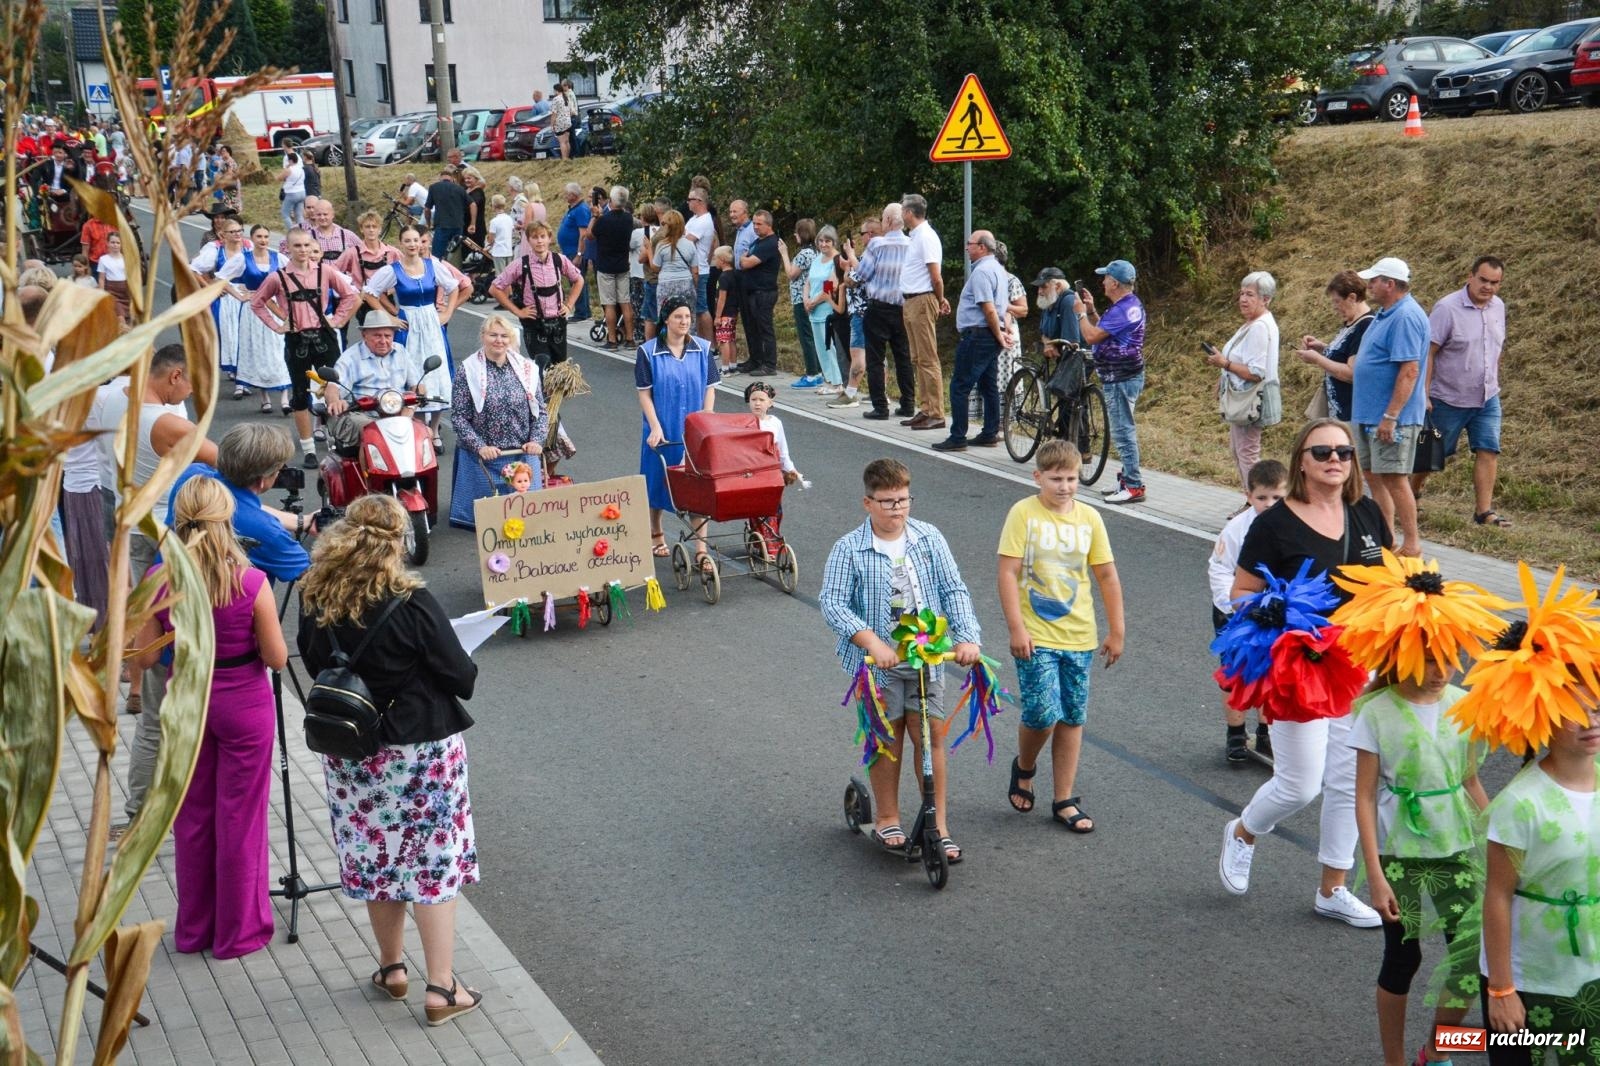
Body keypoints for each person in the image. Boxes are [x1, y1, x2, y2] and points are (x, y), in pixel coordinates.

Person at [297, 494, 483, 1027]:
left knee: (378, 855)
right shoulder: (411, 599)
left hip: (357, 749)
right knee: (431, 863)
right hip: (423, 746)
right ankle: (442, 988)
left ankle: (392, 968)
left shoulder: (316, 598)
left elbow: (316, 665)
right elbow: (460, 678)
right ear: (398, 542)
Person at [1217, 418, 1391, 927]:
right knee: (1300, 785)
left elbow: (1386, 584)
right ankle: (1244, 831)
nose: (1335, 460)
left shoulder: (1366, 512)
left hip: (1359, 661)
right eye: (1322, 452)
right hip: (1301, 665)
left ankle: (1332, 889)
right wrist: (1282, 612)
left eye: (1344, 452)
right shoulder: (1273, 524)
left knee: (1348, 781)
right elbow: (1240, 594)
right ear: (1301, 461)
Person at [130, 477, 286, 959]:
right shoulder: (251, 581)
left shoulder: (159, 577)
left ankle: (194, 929)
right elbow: (277, 658)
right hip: (243, 704)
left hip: (187, 702)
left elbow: (144, 660)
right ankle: (238, 932)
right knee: (240, 818)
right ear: (226, 520)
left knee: (193, 818)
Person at [1344, 613, 1492, 1066]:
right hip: (1399, 855)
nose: (1442, 670)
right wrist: (1374, 873)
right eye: (1430, 659)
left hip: (1458, 847)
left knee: (1469, 961)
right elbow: (1365, 797)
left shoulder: (1465, 704)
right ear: (1404, 656)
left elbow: (1470, 781)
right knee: (1402, 959)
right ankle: (1393, 1060)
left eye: (1450, 659)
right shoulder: (1377, 712)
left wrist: (1501, 843)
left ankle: (1435, 1051)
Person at [819, 458, 982, 862]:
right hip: (879, 664)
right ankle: (888, 816)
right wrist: (872, 642)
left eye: (904, 500)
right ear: (868, 503)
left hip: (928, 656)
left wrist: (966, 638)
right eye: (888, 502)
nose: (898, 509)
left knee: (930, 736)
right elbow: (833, 603)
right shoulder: (849, 548)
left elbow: (953, 590)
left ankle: (937, 824)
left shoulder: (928, 538)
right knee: (886, 738)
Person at [998, 440, 1124, 834]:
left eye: (1071, 478)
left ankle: (1063, 798)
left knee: (1071, 716)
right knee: (1041, 712)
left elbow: (1105, 575)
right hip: (1035, 635)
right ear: (1038, 477)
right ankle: (1025, 765)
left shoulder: (1089, 519)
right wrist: (1016, 627)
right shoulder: (1024, 514)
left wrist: (1116, 630)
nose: (1065, 486)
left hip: (1079, 636)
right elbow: (1007, 573)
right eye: (1056, 478)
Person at [123, 345, 221, 822]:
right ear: (175, 376)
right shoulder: (165, 422)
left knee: (153, 709)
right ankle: (148, 809)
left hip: (139, 534)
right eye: (190, 385)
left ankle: (142, 808)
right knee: (163, 700)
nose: (191, 394)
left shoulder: (123, 404)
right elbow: (227, 460)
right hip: (164, 543)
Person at [1412, 255, 1509, 529]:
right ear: (1470, 276)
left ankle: (1483, 512)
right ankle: (1411, 493)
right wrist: (1424, 392)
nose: (1488, 287)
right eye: (1483, 280)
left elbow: (1496, 347)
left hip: (1487, 397)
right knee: (1433, 454)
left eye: (1495, 283)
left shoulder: (1498, 307)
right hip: (1448, 398)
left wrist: (1493, 378)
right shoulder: (1447, 308)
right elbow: (1428, 352)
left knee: (1488, 449)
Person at [250, 229, 361, 467]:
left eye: (305, 245)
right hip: (296, 339)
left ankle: (340, 440)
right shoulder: (277, 277)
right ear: (288, 248)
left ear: (312, 247)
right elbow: (256, 302)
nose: (302, 251)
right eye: (297, 246)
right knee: (300, 394)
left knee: (335, 387)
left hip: (324, 336)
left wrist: (338, 319)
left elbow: (351, 295)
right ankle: (309, 448)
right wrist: (277, 325)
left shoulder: (325, 271)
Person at [1206, 459, 1288, 763]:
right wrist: (1237, 606)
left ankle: (1266, 732)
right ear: (1248, 495)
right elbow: (1219, 570)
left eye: (1277, 498)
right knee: (1235, 673)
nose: (1269, 504)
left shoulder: (1292, 525)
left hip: (1274, 613)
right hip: (1235, 613)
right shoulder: (1236, 530)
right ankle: (1236, 734)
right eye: (1262, 497)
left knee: (1271, 671)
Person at [167, 423, 315, 583]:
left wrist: (301, 522)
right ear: (261, 481)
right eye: (279, 469)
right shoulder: (268, 532)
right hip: (224, 604)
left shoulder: (192, 478)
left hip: (168, 585)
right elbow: (313, 577)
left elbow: (241, 507)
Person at [1351, 257, 1429, 557]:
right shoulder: (1387, 313)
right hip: (1370, 414)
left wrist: (1391, 415)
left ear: (1390, 284)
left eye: (1374, 281)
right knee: (1373, 475)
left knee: (1395, 477)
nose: (1369, 285)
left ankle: (1411, 544)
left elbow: (1409, 370)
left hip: (1390, 417)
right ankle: (1385, 537)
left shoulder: (1406, 316)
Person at [636, 296, 718, 565]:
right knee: (656, 481)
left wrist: (707, 421)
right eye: (678, 317)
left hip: (695, 430)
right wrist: (655, 426)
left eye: (687, 317)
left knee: (698, 486)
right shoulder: (648, 352)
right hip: (663, 426)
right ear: (666, 319)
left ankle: (701, 550)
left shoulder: (703, 349)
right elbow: (645, 394)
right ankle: (656, 533)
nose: (684, 322)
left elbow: (710, 388)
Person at [448, 312, 548, 529]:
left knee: (529, 522)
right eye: (493, 335)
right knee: (488, 525)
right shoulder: (468, 370)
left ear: (511, 339)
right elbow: (458, 417)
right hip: (484, 457)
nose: (499, 340)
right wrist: (479, 446)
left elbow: (540, 411)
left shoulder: (527, 369)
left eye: (504, 336)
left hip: (521, 453)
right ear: (483, 336)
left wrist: (536, 441)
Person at [361, 224, 460, 433]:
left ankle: (434, 429)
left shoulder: (432, 266)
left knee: (436, 371)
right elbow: (369, 293)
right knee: (411, 370)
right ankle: (418, 426)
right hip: (408, 321)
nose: (413, 244)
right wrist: (389, 317)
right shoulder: (393, 270)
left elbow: (454, 287)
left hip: (431, 322)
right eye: (408, 241)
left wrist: (448, 313)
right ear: (401, 244)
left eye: (416, 240)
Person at [1074, 259, 1148, 504]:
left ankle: (1134, 486)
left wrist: (1081, 314)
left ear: (1115, 282)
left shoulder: (1124, 309)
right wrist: (1093, 310)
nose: (1102, 281)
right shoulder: (1125, 305)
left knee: (1122, 431)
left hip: (1121, 377)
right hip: (1121, 375)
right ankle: (1126, 479)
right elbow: (1104, 330)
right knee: (1120, 429)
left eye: (1106, 277)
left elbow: (1092, 336)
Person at [931, 230, 1011, 452]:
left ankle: (958, 436)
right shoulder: (998, 270)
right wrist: (1002, 332)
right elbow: (1000, 308)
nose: (966, 248)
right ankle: (989, 432)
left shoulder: (982, 272)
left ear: (982, 247)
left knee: (960, 385)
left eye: (970, 244)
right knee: (988, 384)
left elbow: (988, 308)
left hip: (979, 335)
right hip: (988, 334)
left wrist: (997, 334)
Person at [1205, 271, 1282, 495]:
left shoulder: (1259, 326)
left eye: (1250, 294)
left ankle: (1257, 503)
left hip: (1250, 399)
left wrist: (1224, 363)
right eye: (1241, 293)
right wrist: (1223, 376)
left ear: (1265, 299)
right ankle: (1252, 500)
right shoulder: (1252, 323)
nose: (1243, 299)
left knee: (1247, 453)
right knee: (1239, 451)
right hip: (1241, 395)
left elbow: (1257, 372)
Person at [487, 219, 584, 369]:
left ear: (549, 238)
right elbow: (494, 288)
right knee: (542, 365)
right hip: (534, 324)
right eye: (535, 237)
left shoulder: (559, 260)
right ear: (529, 240)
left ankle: (554, 393)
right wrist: (518, 311)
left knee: (560, 370)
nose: (539, 241)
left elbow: (579, 280)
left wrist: (569, 304)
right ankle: (539, 392)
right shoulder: (520, 264)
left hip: (557, 323)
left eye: (543, 236)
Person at [218, 224, 292, 414]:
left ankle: (285, 398)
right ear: (252, 239)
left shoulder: (278, 258)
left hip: (274, 306)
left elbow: (292, 277)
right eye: (259, 236)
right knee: (257, 350)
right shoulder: (243, 259)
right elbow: (220, 278)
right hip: (253, 310)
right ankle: (265, 398)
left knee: (279, 349)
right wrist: (240, 295)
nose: (263, 240)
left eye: (266, 236)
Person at [850, 202, 914, 421]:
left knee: (876, 358)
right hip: (903, 307)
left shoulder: (877, 245)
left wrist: (850, 266)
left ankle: (880, 407)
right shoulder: (912, 244)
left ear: (887, 221)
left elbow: (864, 273)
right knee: (903, 356)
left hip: (879, 306)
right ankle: (908, 403)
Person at [323, 311, 423, 451]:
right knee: (373, 435)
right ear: (364, 335)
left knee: (426, 434)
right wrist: (335, 401)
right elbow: (332, 388)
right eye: (377, 336)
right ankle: (369, 473)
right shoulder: (350, 357)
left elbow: (418, 386)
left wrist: (410, 409)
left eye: (387, 336)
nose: (383, 341)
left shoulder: (401, 352)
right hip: (363, 415)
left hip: (398, 413)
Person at [1292, 271, 1375, 425]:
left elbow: (1352, 373)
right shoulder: (1351, 322)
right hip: (1338, 413)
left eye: (1337, 301)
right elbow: (1345, 354)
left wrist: (1318, 359)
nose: (1334, 307)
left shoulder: (1365, 326)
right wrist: (1322, 348)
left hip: (1351, 416)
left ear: (1352, 298)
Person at [898, 194, 949, 430]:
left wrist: (939, 299)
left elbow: (935, 276)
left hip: (922, 299)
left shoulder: (927, 237)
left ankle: (936, 412)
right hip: (910, 300)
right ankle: (926, 407)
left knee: (928, 358)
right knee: (917, 358)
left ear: (909, 212)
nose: (901, 215)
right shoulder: (915, 237)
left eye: (902, 210)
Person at [189, 216, 248, 389]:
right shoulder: (215, 250)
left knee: (242, 336)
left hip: (243, 297)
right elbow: (193, 268)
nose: (237, 234)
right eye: (233, 232)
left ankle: (241, 376)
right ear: (223, 235)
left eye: (239, 231)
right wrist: (209, 286)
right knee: (217, 337)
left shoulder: (249, 248)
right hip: (222, 299)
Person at [335, 209, 401, 332]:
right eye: (367, 226)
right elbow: (334, 273)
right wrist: (350, 290)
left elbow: (406, 271)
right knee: (370, 336)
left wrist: (394, 289)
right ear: (361, 229)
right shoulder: (352, 253)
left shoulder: (392, 252)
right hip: (364, 303)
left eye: (374, 226)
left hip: (386, 300)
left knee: (389, 335)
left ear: (380, 229)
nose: (371, 230)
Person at [735, 210, 781, 376]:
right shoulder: (758, 241)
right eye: (754, 223)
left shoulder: (770, 243)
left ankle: (769, 364)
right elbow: (744, 259)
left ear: (769, 225)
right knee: (751, 327)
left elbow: (746, 262)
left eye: (759, 224)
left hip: (764, 292)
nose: (755, 227)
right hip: (751, 291)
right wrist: (744, 258)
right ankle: (755, 359)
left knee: (764, 328)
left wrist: (744, 259)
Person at [801, 225, 845, 396]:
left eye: (827, 241)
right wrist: (806, 300)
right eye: (820, 241)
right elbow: (809, 281)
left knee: (830, 346)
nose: (823, 244)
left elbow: (830, 285)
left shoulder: (836, 260)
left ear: (833, 242)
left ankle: (838, 382)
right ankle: (828, 379)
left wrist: (814, 301)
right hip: (813, 310)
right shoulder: (817, 258)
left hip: (827, 309)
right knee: (820, 347)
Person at [781, 219, 824, 388]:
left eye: (796, 232)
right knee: (813, 335)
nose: (794, 235)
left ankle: (812, 373)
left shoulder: (804, 254)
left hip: (802, 299)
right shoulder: (815, 252)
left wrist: (784, 253)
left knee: (806, 336)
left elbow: (791, 274)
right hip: (812, 298)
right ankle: (819, 370)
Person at [592, 185, 635, 349]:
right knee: (625, 302)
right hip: (623, 264)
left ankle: (612, 339)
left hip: (605, 266)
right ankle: (630, 338)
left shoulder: (604, 220)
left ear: (611, 200)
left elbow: (590, 234)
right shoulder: (628, 219)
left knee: (609, 304)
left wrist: (595, 216)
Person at [993, 241, 1029, 408]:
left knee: (1006, 374)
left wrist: (1003, 305)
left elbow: (1023, 310)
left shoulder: (1012, 281)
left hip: (1007, 330)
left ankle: (1004, 420)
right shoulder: (987, 277)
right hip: (989, 329)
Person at [684, 187, 718, 340]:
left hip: (700, 270)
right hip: (693, 268)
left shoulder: (704, 220)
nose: (688, 203)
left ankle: (710, 343)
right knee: (696, 309)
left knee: (702, 308)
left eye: (690, 200)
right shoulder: (694, 219)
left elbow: (687, 240)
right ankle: (699, 340)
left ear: (699, 201)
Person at [556, 183, 592, 322]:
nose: (564, 196)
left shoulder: (581, 210)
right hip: (568, 251)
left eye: (566, 193)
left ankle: (582, 312)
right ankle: (583, 310)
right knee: (575, 280)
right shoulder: (573, 209)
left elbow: (583, 234)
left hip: (574, 252)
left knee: (577, 280)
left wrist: (579, 254)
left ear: (573, 195)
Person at [424, 169, 468, 260]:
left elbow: (427, 209)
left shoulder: (434, 187)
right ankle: (454, 271)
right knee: (455, 253)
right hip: (458, 225)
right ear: (452, 178)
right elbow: (471, 204)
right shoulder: (460, 189)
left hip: (442, 225)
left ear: (440, 178)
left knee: (437, 255)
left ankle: (438, 271)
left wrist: (428, 223)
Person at [712, 246, 740, 373]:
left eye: (715, 258)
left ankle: (725, 368)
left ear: (722, 260)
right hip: (733, 312)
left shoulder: (723, 277)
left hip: (724, 314)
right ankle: (733, 365)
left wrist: (718, 316)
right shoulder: (734, 274)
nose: (714, 261)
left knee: (723, 341)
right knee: (731, 339)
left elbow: (721, 298)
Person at [98, 231, 130, 325]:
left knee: (129, 318)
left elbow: (131, 277)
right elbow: (101, 278)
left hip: (126, 292)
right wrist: (101, 294)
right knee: (120, 317)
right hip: (112, 292)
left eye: (118, 243)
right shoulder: (103, 259)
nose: (115, 245)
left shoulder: (126, 258)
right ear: (107, 243)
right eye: (112, 242)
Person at [486, 195, 515, 273]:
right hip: (508, 250)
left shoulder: (494, 221)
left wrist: (488, 240)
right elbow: (512, 233)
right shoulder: (509, 219)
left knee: (500, 276)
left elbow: (491, 240)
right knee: (508, 275)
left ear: (493, 206)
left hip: (499, 252)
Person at [278, 151, 306, 231]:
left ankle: (292, 231)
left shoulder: (289, 170)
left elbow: (279, 178)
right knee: (299, 214)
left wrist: (286, 167)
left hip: (292, 193)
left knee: (285, 214)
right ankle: (302, 231)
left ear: (290, 161)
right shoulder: (301, 169)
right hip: (302, 192)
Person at [549, 80, 575, 160]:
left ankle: (564, 159)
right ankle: (567, 157)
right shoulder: (566, 98)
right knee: (567, 141)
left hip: (560, 123)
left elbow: (554, 114)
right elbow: (571, 111)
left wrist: (552, 125)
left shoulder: (556, 99)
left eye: (554, 90)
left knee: (562, 142)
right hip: (568, 122)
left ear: (556, 90)